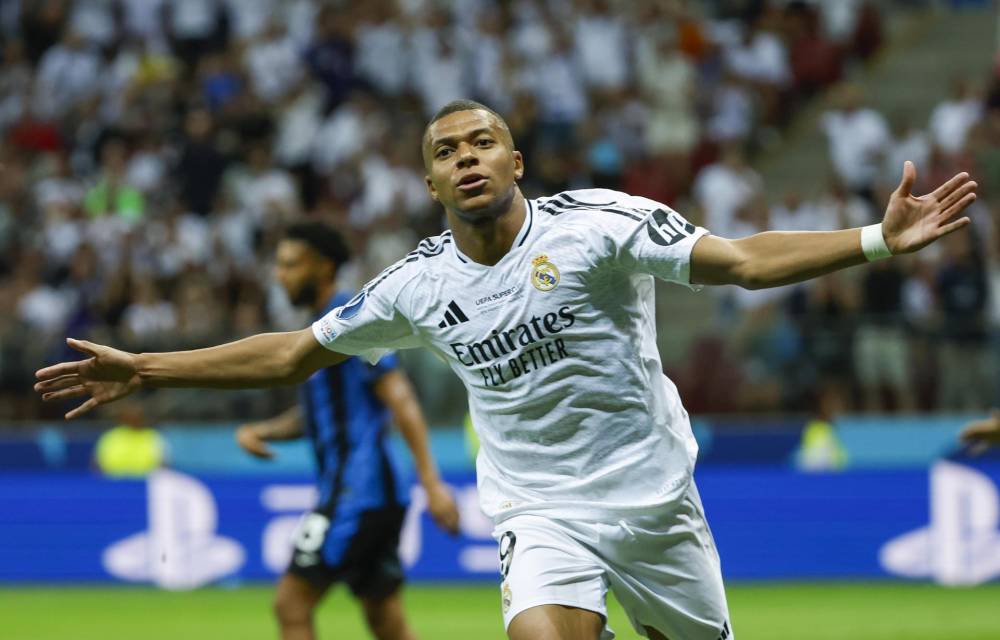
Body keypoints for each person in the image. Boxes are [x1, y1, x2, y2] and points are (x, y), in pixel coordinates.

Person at [36, 100, 977, 640]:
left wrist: (874, 242)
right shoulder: (413, 286)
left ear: (514, 159)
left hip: (656, 502)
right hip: (540, 510)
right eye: (445, 152)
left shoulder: (601, 227)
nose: (466, 157)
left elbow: (743, 263)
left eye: (481, 141)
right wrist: (149, 369)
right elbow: (289, 354)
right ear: (431, 185)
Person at [237, 221, 459, 640]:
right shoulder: (320, 328)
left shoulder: (351, 319)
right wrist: (265, 431)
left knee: (291, 603)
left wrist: (432, 483)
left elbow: (401, 399)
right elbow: (318, 415)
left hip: (358, 491)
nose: (280, 275)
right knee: (382, 614)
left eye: (291, 265)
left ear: (322, 267)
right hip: (375, 492)